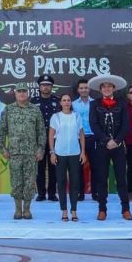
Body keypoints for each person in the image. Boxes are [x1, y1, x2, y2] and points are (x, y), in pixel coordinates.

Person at [0, 81, 45, 220]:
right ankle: (18, 209)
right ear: (15, 93)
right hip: (14, 153)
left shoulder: (35, 110)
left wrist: (41, 149)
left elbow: (41, 131)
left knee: (30, 182)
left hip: (31, 153)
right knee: (16, 182)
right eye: (19, 91)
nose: (22, 93)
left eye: (24, 91)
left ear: (28, 93)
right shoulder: (8, 110)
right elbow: (2, 131)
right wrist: (2, 149)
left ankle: (27, 209)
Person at [88, 74, 132, 221]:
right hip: (102, 146)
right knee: (102, 178)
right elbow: (93, 124)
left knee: (121, 178)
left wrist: (117, 140)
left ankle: (125, 209)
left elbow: (126, 124)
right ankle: (102, 209)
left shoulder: (122, 104)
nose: (107, 89)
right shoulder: (94, 104)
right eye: (104, 87)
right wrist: (106, 140)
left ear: (113, 88)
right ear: (100, 89)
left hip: (118, 146)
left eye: (109, 86)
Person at [48, 93, 84, 222]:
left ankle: (74, 211)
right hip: (60, 153)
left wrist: (83, 152)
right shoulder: (56, 117)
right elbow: (51, 135)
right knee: (61, 182)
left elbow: (81, 134)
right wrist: (52, 152)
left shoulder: (76, 116)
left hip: (75, 153)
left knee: (75, 183)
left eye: (68, 100)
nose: (67, 102)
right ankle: (64, 211)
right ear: (60, 103)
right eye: (64, 100)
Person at [31, 75, 60, 202]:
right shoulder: (33, 101)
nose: (46, 87)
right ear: (39, 87)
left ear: (52, 87)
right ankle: (41, 193)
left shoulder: (58, 100)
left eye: (48, 85)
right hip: (39, 138)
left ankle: (52, 193)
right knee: (40, 167)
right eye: (43, 85)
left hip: (55, 137)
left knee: (54, 166)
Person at [71, 78, 95, 202]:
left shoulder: (95, 103)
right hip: (78, 138)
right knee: (78, 167)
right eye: (81, 88)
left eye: (86, 87)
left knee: (96, 167)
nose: (84, 90)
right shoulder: (73, 104)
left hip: (93, 137)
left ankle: (95, 193)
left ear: (89, 89)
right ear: (78, 90)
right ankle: (80, 193)